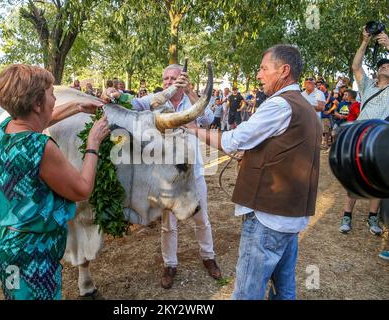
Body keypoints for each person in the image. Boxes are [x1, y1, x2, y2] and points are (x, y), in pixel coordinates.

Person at [186, 44, 321, 299]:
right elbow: (281, 150)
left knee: (247, 292)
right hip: (290, 218)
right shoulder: (304, 107)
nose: (258, 75)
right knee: (284, 290)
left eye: (263, 68)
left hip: (268, 219)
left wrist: (193, 130)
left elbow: (232, 140)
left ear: (284, 71)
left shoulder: (280, 105)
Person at [0, 64, 109, 300]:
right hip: (34, 258)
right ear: (36, 104)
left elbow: (37, 122)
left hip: (7, 247)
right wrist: (93, 144)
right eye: (51, 93)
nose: (55, 99)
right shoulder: (40, 147)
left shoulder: (5, 129)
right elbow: (82, 189)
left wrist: (77, 106)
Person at [131, 64, 221, 289]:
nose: (168, 82)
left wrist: (190, 90)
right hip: (167, 176)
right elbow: (132, 104)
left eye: (173, 78)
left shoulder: (191, 100)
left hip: (194, 173)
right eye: (165, 79)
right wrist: (114, 95)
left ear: (182, 79)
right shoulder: (155, 101)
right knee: (168, 224)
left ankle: (208, 257)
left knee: (202, 219)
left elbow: (208, 118)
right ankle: (169, 264)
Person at [338, 26, 389, 236]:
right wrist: (365, 41)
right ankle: (347, 216)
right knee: (355, 177)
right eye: (382, 65)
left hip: (381, 139)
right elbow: (356, 65)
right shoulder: (367, 86)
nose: (385, 66)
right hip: (359, 137)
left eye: (388, 65)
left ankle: (372, 218)